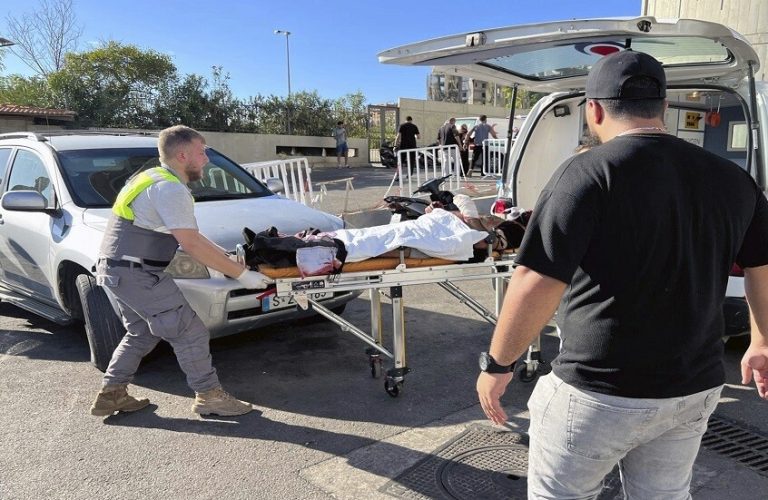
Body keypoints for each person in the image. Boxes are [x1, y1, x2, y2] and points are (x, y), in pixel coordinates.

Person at [475, 50, 768, 498]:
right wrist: (761, 342)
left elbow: (536, 281)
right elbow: (762, 266)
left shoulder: (586, 173)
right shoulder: (733, 179)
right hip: (693, 389)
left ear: (593, 109)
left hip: (598, 391)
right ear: (663, 107)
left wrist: (498, 364)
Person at [90, 125, 273, 418]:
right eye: (202, 152)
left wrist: (227, 259)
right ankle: (209, 396)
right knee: (189, 331)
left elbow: (191, 235)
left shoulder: (150, 178)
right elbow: (190, 244)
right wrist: (242, 276)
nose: (207, 159)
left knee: (141, 332)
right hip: (138, 273)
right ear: (183, 155)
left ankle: (112, 394)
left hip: (118, 271)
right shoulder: (170, 188)